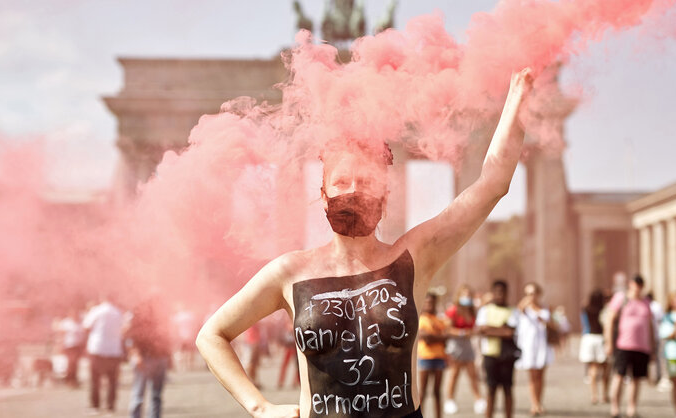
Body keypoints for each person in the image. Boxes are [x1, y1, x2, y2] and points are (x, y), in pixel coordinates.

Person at [195, 68, 535, 417]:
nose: (354, 191)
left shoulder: (414, 257)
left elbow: (492, 184)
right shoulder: (290, 272)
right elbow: (212, 335)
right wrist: (260, 407)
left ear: (385, 197)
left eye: (366, 181)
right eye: (341, 182)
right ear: (323, 195)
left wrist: (517, 96)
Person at [605, 275, 655, 418]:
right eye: (635, 284)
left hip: (642, 345)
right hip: (623, 344)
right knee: (619, 376)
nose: (638, 287)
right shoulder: (621, 298)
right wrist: (609, 343)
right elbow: (610, 320)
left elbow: (650, 325)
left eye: (640, 285)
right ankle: (615, 407)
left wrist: (652, 346)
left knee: (636, 378)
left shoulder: (646, 302)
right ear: (630, 284)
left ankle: (631, 408)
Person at [476, 280, 520, 418]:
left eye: (503, 292)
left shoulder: (513, 311)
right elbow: (481, 330)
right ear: (493, 293)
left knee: (507, 389)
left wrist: (490, 329)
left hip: (507, 355)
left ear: (507, 293)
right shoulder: (485, 310)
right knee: (491, 390)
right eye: (497, 292)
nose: (500, 295)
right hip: (490, 354)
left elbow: (510, 332)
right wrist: (502, 329)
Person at [125, 297, 172, 418]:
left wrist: (167, 358)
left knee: (156, 396)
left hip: (159, 358)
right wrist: (137, 356)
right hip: (144, 359)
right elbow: (130, 340)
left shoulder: (161, 320)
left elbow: (166, 339)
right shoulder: (138, 321)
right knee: (139, 395)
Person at [443, 285, 485, 415]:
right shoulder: (453, 310)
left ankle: (478, 399)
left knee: (473, 374)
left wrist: (473, 332)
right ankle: (449, 400)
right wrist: (462, 333)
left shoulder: (471, 310)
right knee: (454, 374)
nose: (466, 297)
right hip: (456, 344)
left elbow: (474, 327)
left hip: (468, 344)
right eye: (464, 294)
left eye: (468, 295)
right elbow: (447, 329)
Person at [82, 294, 124, 416]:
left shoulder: (97, 310)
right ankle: (110, 406)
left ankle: (95, 406)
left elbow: (86, 326)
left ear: (102, 298)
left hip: (97, 349)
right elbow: (123, 328)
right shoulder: (118, 312)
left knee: (95, 380)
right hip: (114, 350)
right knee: (112, 381)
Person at [515, 283, 553, 416]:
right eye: (528, 293)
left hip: (542, 344)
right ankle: (534, 403)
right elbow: (519, 309)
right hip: (529, 346)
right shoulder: (524, 307)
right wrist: (527, 301)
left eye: (533, 293)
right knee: (532, 376)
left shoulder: (545, 307)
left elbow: (551, 323)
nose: (531, 296)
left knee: (541, 376)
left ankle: (539, 402)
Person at [417, 293, 447, 418]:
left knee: (437, 392)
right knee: (423, 391)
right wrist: (439, 337)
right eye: (427, 302)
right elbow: (426, 338)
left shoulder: (439, 320)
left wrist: (436, 337)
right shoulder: (421, 319)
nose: (429, 304)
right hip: (426, 357)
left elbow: (446, 337)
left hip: (439, 357)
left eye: (432, 302)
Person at [579, 289, 609, 405]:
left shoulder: (586, 309)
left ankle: (594, 395)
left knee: (593, 368)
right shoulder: (604, 310)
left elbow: (583, 304)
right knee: (605, 368)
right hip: (601, 338)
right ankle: (604, 394)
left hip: (588, 338)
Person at [53, 309, 86, 388]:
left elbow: (82, 334)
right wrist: (59, 345)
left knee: (75, 363)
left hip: (78, 345)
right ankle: (70, 379)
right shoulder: (66, 323)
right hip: (69, 345)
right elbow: (60, 334)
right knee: (71, 362)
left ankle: (73, 379)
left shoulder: (79, 322)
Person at [172, 303, 199, 372]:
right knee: (189, 352)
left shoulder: (178, 316)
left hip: (181, 336)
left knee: (182, 352)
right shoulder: (191, 315)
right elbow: (195, 326)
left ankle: (183, 367)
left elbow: (174, 328)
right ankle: (189, 366)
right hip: (190, 336)